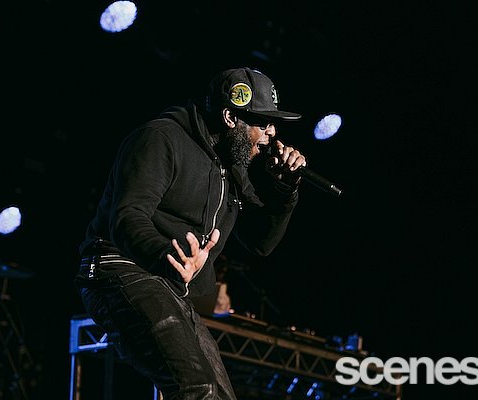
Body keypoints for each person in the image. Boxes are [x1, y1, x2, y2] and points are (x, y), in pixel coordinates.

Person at [74, 67, 307, 400]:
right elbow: (127, 217)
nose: (272, 133)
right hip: (118, 270)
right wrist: (167, 255)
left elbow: (260, 242)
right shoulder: (161, 138)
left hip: (169, 285)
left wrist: (285, 190)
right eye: (263, 123)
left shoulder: (231, 166)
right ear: (230, 117)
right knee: (197, 389)